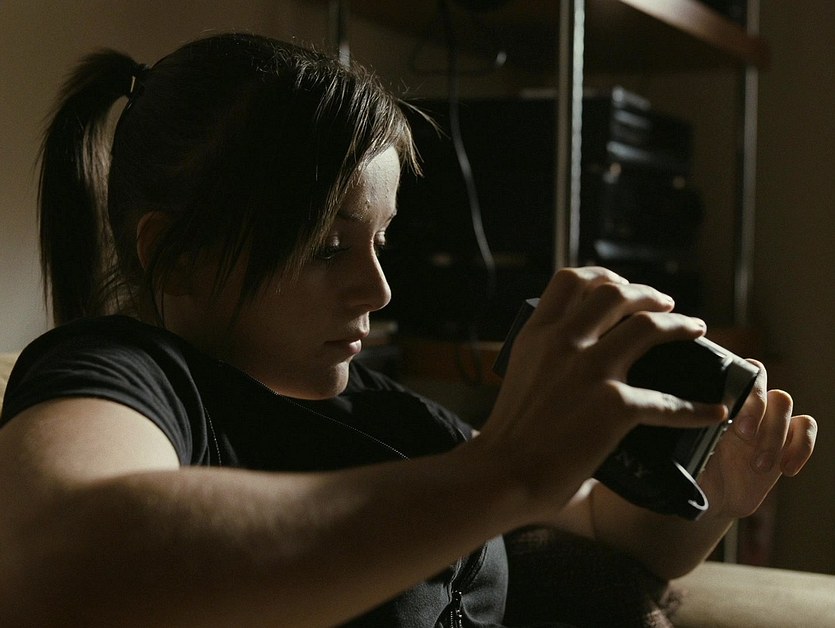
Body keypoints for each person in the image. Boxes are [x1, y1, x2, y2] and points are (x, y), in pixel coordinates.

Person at [0, 32, 816, 627]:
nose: (378, 289)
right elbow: (64, 559)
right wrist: (504, 469)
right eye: (327, 248)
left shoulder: (393, 416)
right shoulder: (127, 374)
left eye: (380, 242)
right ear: (177, 258)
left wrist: (719, 495)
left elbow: (605, 526)